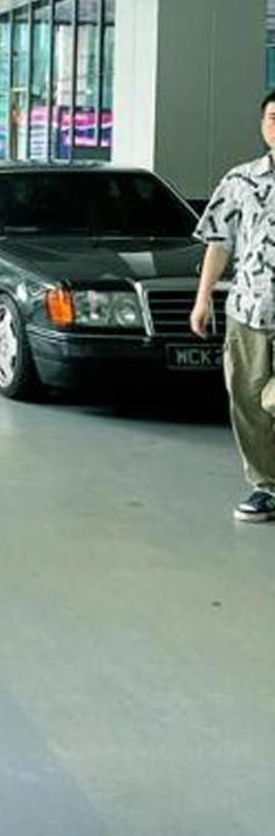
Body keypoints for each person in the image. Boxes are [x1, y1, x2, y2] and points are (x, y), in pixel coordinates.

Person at [191, 88, 275, 522]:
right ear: (262, 125)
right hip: (248, 309)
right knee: (246, 399)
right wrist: (203, 298)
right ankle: (266, 486)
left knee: (272, 400)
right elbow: (218, 244)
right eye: (272, 117)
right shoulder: (240, 180)